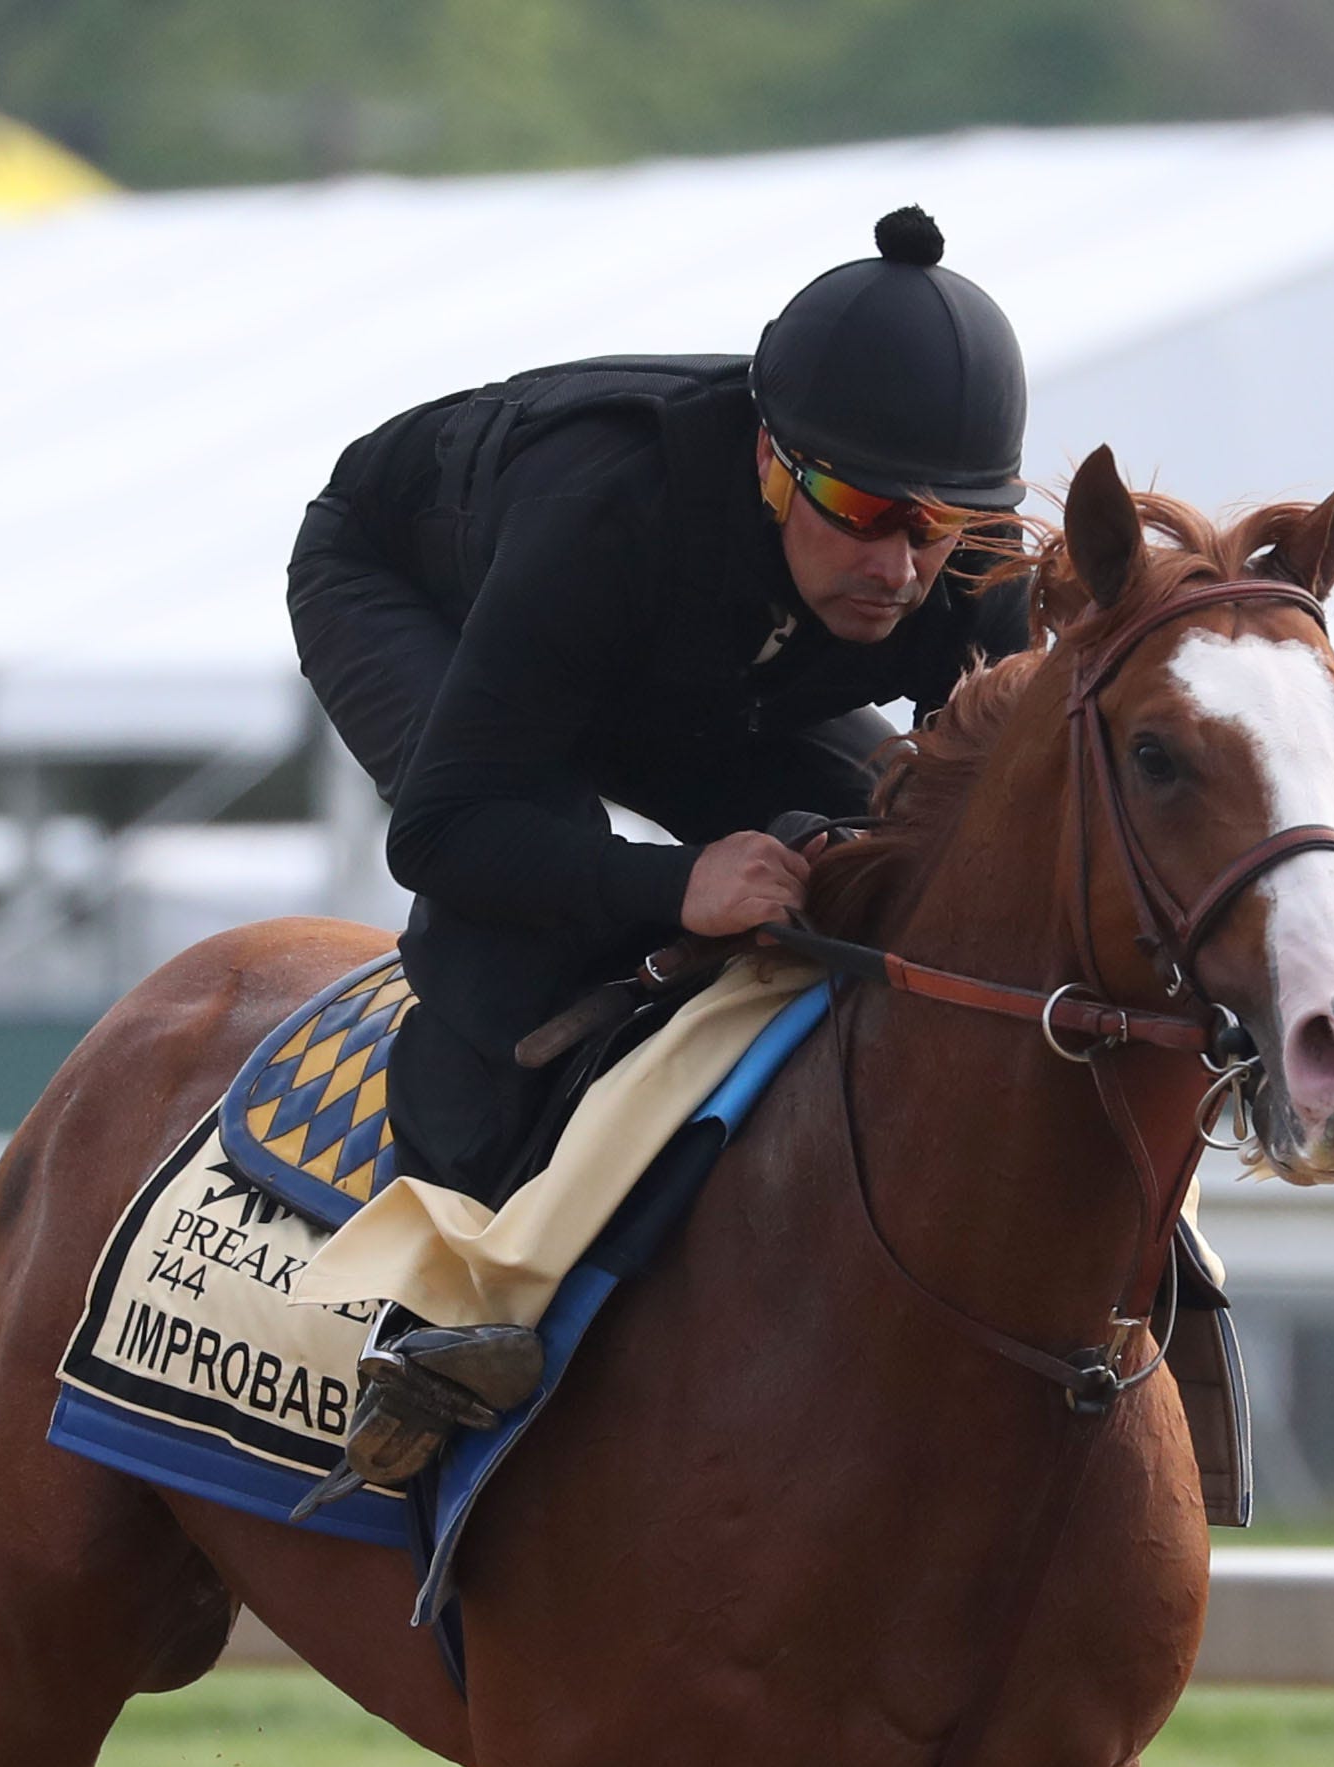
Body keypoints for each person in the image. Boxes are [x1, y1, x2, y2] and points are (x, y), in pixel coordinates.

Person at [286, 205, 1036, 1484]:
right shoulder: (603, 508)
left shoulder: (973, 572)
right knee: (533, 886)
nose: (899, 565)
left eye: (942, 525)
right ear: (768, 459)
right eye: (859, 508)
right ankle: (446, 1303)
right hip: (422, 585)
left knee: (872, 856)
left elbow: (984, 844)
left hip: (690, 662)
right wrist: (672, 884)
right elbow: (446, 832)